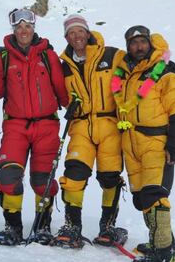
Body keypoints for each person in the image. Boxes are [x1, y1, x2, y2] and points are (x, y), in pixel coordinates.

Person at [110, 25, 175, 262]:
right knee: (142, 199)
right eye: (133, 43)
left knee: (156, 196)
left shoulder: (165, 73)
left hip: (157, 143)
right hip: (131, 144)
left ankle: (165, 252)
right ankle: (158, 242)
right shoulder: (124, 75)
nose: (138, 47)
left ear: (150, 43)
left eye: (142, 42)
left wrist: (174, 147)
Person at [0, 8, 68, 246]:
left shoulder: (48, 56)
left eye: (28, 27)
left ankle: (42, 226)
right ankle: (12, 227)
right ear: (13, 30)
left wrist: (74, 106)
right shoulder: (4, 59)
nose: (23, 31)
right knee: (8, 176)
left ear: (33, 28)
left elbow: (61, 89)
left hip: (46, 125)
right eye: (19, 27)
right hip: (15, 125)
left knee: (42, 180)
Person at [50, 14, 126, 249]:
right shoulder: (65, 66)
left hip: (109, 125)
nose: (76, 37)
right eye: (71, 33)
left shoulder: (111, 55)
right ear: (67, 37)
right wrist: (69, 104)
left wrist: (164, 63)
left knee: (110, 177)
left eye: (79, 31)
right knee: (74, 175)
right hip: (81, 125)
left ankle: (108, 227)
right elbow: (59, 94)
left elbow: (137, 67)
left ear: (87, 32)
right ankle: (72, 226)